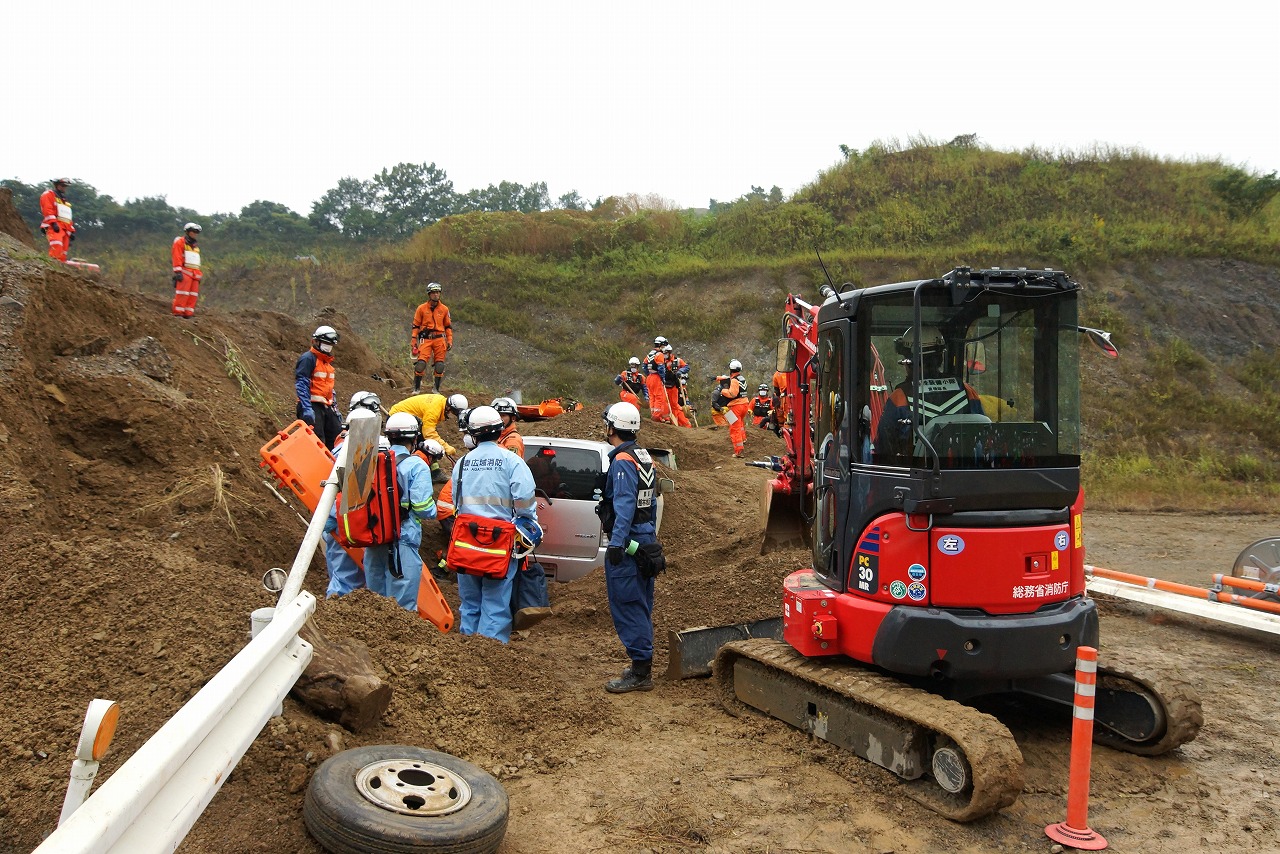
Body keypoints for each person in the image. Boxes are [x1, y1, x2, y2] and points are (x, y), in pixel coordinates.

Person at [450, 406, 538, 643]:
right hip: (499, 542)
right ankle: (490, 652)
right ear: (500, 431)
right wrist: (527, 524)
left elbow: (454, 500)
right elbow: (525, 502)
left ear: (473, 434)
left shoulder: (463, 462)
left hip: (466, 540)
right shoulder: (512, 462)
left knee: (469, 602)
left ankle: (467, 648)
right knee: (496, 602)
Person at [599, 401, 660, 693]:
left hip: (629, 544)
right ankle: (641, 666)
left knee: (627, 604)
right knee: (641, 603)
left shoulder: (623, 461)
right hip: (645, 541)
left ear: (612, 427)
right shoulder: (643, 456)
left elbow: (624, 505)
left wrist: (618, 543)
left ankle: (640, 672)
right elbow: (650, 502)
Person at [358, 412, 437, 611]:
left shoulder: (372, 460)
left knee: (375, 599)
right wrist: (434, 511)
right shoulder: (416, 465)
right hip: (402, 538)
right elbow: (423, 507)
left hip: (375, 536)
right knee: (402, 604)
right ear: (415, 438)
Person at [875, 327, 984, 461]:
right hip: (965, 471)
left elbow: (883, 448)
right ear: (939, 358)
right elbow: (983, 433)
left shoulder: (900, 398)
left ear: (909, 361)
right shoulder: (967, 391)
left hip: (916, 476)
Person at [321, 391, 384, 598]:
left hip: (344, 523)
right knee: (346, 578)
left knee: (346, 575)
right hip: (349, 524)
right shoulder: (356, 449)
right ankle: (336, 614)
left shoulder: (341, 448)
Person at [388, 392, 468, 481]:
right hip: (399, 419)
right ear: (448, 408)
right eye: (452, 413)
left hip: (408, 417)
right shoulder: (434, 410)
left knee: (424, 441)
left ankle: (434, 471)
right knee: (422, 444)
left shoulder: (440, 402)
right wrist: (445, 447)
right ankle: (420, 471)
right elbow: (429, 434)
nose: (450, 416)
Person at [295, 326, 341, 450]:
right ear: (315, 341)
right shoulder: (308, 358)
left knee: (336, 438)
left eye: (330, 344)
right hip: (312, 405)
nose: (328, 346)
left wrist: (334, 408)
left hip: (325, 406)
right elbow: (302, 383)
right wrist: (306, 407)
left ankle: (332, 468)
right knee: (317, 442)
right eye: (326, 343)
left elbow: (328, 388)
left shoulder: (326, 363)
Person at [410, 282, 453, 393]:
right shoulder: (421, 308)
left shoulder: (444, 309)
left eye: (438, 292)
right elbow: (416, 326)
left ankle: (436, 389)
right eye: (434, 292)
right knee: (421, 364)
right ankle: (416, 388)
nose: (436, 295)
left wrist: (449, 340)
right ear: (429, 294)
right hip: (426, 338)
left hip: (440, 339)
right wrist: (414, 340)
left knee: (439, 365)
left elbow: (448, 326)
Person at [715, 360, 750, 457]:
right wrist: (717, 378)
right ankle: (743, 439)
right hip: (744, 405)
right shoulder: (741, 378)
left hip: (735, 407)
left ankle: (739, 451)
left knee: (734, 428)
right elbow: (727, 378)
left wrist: (723, 390)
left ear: (731, 369)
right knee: (740, 424)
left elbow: (732, 394)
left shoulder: (734, 380)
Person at [170, 223, 204, 318]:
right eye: (193, 231)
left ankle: (188, 313)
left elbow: (196, 261)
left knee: (193, 294)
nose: (195, 233)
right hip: (185, 272)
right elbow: (177, 257)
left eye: (197, 232)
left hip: (195, 273)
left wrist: (198, 275)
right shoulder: (180, 242)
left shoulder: (195, 246)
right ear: (188, 232)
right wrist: (178, 272)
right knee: (182, 293)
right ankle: (178, 312)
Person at [38, 178, 75, 262]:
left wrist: (71, 231)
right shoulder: (48, 195)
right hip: (55, 226)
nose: (64, 188)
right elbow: (48, 210)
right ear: (57, 185)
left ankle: (60, 268)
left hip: (65, 228)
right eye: (63, 186)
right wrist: (53, 223)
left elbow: (67, 216)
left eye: (65, 186)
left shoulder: (64, 200)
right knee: (56, 244)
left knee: (63, 251)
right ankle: (53, 265)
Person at [661, 345, 691, 427]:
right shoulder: (662, 361)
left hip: (674, 385)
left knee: (674, 404)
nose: (664, 354)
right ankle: (666, 419)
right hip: (664, 384)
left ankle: (675, 421)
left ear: (670, 352)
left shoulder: (677, 361)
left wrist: (680, 371)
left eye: (666, 353)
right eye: (663, 353)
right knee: (664, 403)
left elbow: (687, 367)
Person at [643, 336, 671, 423]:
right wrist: (663, 378)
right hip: (656, 377)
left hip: (649, 377)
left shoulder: (650, 354)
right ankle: (656, 415)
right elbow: (661, 368)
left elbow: (644, 366)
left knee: (652, 397)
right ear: (661, 344)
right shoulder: (659, 354)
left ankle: (654, 413)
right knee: (659, 397)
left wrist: (648, 374)